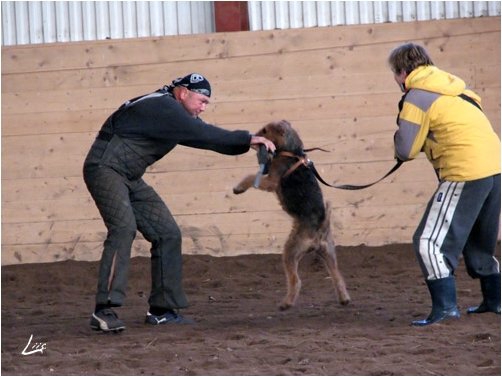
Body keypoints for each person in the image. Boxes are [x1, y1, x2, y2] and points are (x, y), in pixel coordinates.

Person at [83, 73, 275, 332]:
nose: (203, 107)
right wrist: (248, 138)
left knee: (167, 233)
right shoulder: (164, 106)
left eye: (207, 103)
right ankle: (103, 310)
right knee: (123, 229)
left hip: (128, 175)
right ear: (183, 93)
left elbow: (206, 139)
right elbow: (203, 133)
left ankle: (162, 310)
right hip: (104, 169)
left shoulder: (173, 115)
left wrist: (248, 144)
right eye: (201, 100)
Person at [388, 43, 501, 326]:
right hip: (494, 167)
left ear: (402, 72)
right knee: (478, 241)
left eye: (395, 74)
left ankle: (446, 309)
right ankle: (495, 300)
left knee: (429, 242)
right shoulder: (458, 89)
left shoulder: (417, 97)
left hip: (464, 170)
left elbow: (406, 149)